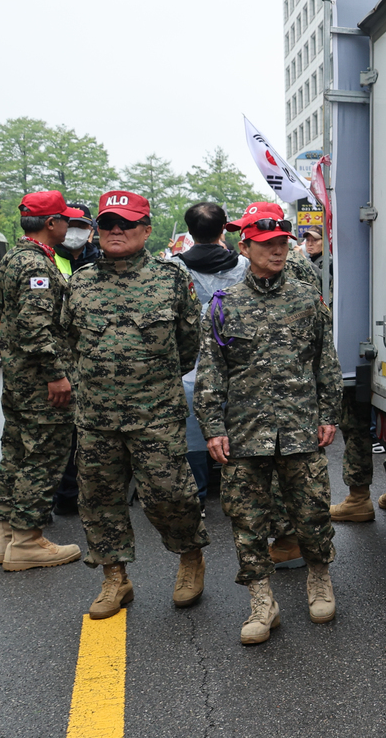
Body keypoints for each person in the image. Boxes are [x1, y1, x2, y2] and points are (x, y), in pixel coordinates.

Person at [196, 205, 342, 645]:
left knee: (312, 511)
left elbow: (326, 363)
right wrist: (212, 427)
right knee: (246, 521)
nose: (278, 251)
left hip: (300, 427)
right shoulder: (224, 306)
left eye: (283, 243)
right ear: (246, 247)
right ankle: (262, 600)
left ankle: (319, 578)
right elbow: (211, 372)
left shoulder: (306, 298)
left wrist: (329, 414)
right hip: (243, 433)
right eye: (267, 245)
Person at [65, 190, 209, 620]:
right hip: (96, 417)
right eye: (108, 223)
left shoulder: (171, 278)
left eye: (126, 224)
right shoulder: (81, 281)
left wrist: (151, 382)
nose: (115, 230)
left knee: (170, 494)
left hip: (155, 414)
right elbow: (68, 340)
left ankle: (189, 559)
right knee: (99, 499)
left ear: (146, 229)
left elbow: (189, 344)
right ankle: (115, 578)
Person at [0, 191, 84, 568]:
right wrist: (56, 375)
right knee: (44, 455)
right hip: (39, 381)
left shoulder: (15, 257)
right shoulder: (37, 266)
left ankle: (7, 534)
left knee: (15, 451)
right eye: (66, 220)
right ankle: (27, 540)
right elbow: (35, 326)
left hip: (18, 377)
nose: (69, 226)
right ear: (51, 223)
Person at [170, 202, 249, 500]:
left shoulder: (175, 268)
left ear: (189, 231)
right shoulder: (244, 266)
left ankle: (198, 495)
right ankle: (238, 494)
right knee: (238, 426)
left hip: (192, 365)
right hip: (236, 362)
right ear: (223, 229)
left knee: (192, 429)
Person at [51, 202, 101, 516]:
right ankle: (63, 495)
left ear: (91, 231)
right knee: (61, 435)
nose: (74, 232)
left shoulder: (102, 261)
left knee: (90, 435)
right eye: (69, 225)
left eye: (81, 226)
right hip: (60, 362)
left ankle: (87, 493)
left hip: (95, 361)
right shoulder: (46, 260)